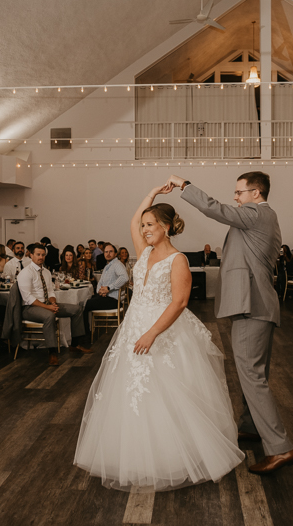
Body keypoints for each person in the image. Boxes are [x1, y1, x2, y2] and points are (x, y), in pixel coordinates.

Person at [74, 185, 244, 492]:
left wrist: (153, 332)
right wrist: (152, 193)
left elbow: (179, 303)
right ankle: (134, 455)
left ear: (164, 228)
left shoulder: (178, 260)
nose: (143, 229)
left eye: (150, 225)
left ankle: (173, 457)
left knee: (167, 390)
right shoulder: (145, 252)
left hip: (160, 330)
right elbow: (132, 220)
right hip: (133, 326)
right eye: (143, 226)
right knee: (130, 389)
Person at [169, 171, 293, 476]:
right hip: (258, 304)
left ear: (256, 193)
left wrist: (185, 186)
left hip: (251, 306)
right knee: (255, 373)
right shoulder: (259, 217)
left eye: (239, 192)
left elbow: (217, 209)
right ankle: (251, 426)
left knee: (252, 376)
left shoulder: (256, 213)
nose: (236, 198)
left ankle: (281, 448)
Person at [18, 244, 89, 366]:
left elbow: (50, 291)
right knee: (49, 316)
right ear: (31, 255)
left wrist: (53, 303)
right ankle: (52, 352)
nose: (41, 257)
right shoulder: (25, 273)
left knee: (76, 309)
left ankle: (75, 345)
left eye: (43, 255)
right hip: (30, 308)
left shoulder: (46, 272)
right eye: (38, 254)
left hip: (47, 304)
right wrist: (48, 307)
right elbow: (28, 298)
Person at [83, 243, 129, 334]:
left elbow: (124, 277)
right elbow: (100, 282)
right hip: (106, 297)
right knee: (85, 301)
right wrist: (100, 291)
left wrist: (109, 288)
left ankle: (86, 334)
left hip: (114, 300)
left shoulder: (117, 264)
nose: (108, 254)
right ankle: (86, 331)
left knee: (86, 304)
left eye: (110, 251)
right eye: (106, 252)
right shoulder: (107, 266)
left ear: (115, 254)